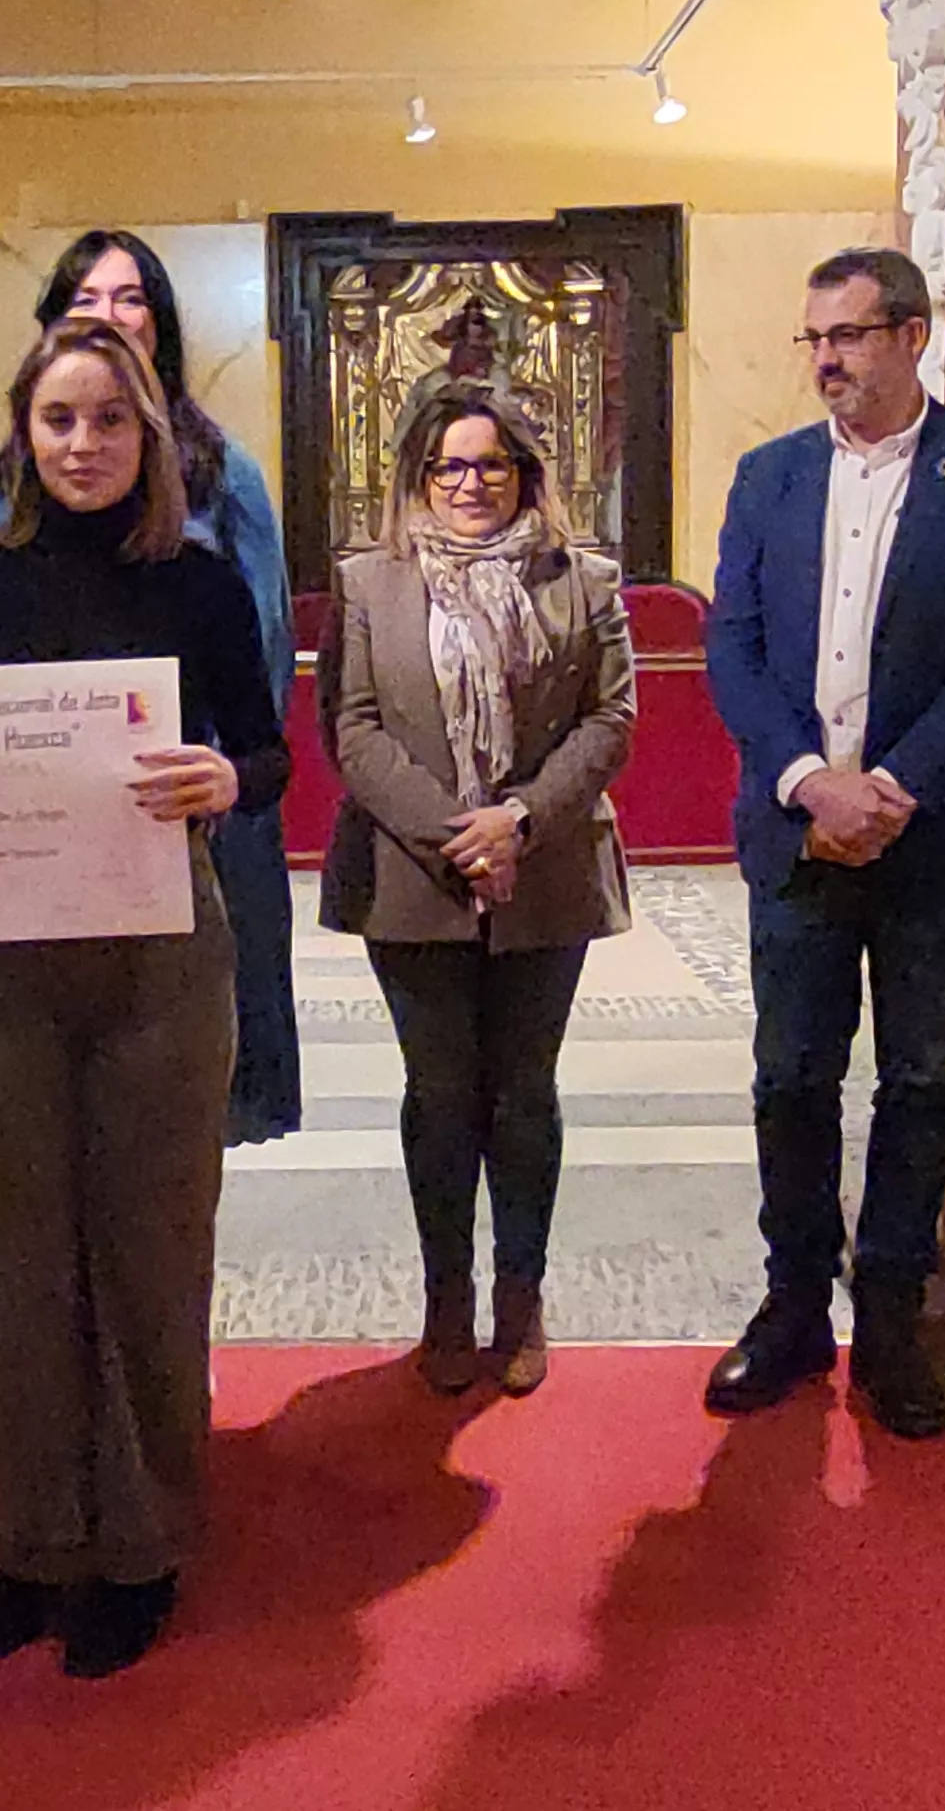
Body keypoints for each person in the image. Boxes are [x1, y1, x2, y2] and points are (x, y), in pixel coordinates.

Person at [0, 319, 284, 1679]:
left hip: (161, 950)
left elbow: (267, 750)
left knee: (149, 1243)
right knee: (17, 1247)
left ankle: (140, 1544)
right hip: (2, 956)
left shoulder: (198, 584)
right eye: (58, 420)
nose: (83, 444)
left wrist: (230, 778)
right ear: (22, 435)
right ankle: (36, 1539)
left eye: (107, 420)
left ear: (147, 435)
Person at [701, 246, 945, 1439]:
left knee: (921, 1077)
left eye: (848, 334)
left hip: (934, 834)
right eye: (813, 338)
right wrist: (811, 782)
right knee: (791, 1076)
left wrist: (894, 786)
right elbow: (732, 648)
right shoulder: (769, 476)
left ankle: (893, 1318)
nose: (826, 359)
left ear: (912, 336)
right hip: (799, 830)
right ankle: (793, 1304)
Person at [323, 391, 636, 1398]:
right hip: (412, 878)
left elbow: (610, 720)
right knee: (442, 1090)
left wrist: (519, 821)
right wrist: (454, 834)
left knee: (523, 1090)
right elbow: (353, 727)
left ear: (524, 472)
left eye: (491, 463)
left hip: (546, 871)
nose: (470, 483)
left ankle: (521, 1292)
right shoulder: (367, 582)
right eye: (448, 466)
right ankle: (446, 1296)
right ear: (418, 477)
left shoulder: (582, 579)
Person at [0, 230, 302, 1146]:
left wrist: (223, 778)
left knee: (175, 1129)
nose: (108, 315)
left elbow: (262, 655)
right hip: (32, 862)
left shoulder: (224, 475)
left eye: (128, 298)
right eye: (85, 299)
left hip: (184, 821)